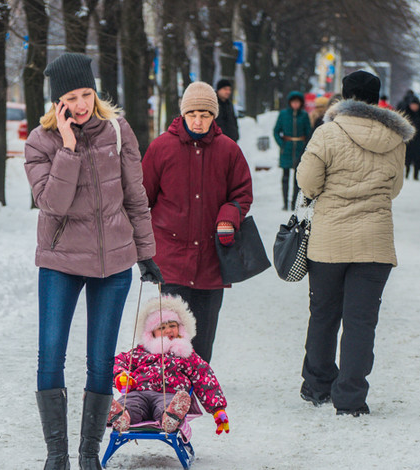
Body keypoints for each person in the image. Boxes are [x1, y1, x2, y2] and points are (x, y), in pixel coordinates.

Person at [25, 52, 163, 470]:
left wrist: (146, 254)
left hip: (112, 264)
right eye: (72, 96)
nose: (82, 104)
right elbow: (51, 204)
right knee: (50, 355)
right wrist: (67, 148)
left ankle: (88, 456)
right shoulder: (40, 142)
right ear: (57, 102)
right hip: (60, 262)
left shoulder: (118, 132)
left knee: (101, 360)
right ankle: (56, 456)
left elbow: (136, 197)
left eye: (87, 93)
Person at [296, 70, 414, 417]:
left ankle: (318, 386)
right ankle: (350, 399)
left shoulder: (327, 132)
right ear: (377, 99)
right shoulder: (395, 138)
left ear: (344, 96)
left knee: (323, 315)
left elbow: (307, 182)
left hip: (329, 241)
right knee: (361, 322)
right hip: (375, 243)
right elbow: (395, 188)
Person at [142, 81, 253, 364]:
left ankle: (196, 385)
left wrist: (229, 216)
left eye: (205, 114)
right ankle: (170, 385)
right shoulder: (161, 148)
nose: (199, 120)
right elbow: (143, 198)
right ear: (183, 114)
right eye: (193, 114)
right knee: (170, 329)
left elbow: (241, 193)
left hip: (211, 259)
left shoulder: (228, 150)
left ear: (214, 116)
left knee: (203, 333)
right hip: (171, 257)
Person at [107, 296, 229, 435]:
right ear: (151, 332)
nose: (168, 330)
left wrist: (218, 409)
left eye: (172, 326)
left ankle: (170, 418)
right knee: (131, 404)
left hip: (170, 394)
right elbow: (118, 362)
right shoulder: (140, 352)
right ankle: (121, 416)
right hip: (138, 392)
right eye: (162, 327)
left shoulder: (185, 354)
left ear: (180, 328)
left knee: (167, 406)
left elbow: (204, 377)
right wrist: (121, 374)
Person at [273, 91, 312, 210]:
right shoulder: (283, 114)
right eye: (293, 102)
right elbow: (276, 131)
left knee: (297, 178)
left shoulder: (304, 115)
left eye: (298, 102)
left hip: (299, 149)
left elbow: (308, 133)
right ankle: (285, 203)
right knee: (285, 177)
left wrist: (305, 147)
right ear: (290, 103)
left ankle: (293, 203)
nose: (295, 104)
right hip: (287, 149)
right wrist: (282, 144)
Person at [399, 96, 420, 180]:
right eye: (412, 105)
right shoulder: (405, 113)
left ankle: (416, 175)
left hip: (419, 140)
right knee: (407, 158)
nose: (414, 107)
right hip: (408, 140)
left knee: (418, 158)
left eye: (415, 105)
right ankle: (407, 172)